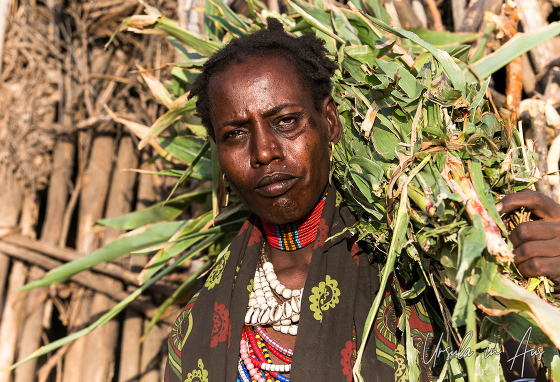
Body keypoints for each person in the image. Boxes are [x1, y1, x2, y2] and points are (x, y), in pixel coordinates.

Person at [163, 19, 560, 382]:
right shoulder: (193, 333)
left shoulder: (427, 277)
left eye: (286, 121)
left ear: (330, 123)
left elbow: (524, 365)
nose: (264, 152)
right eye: (235, 134)